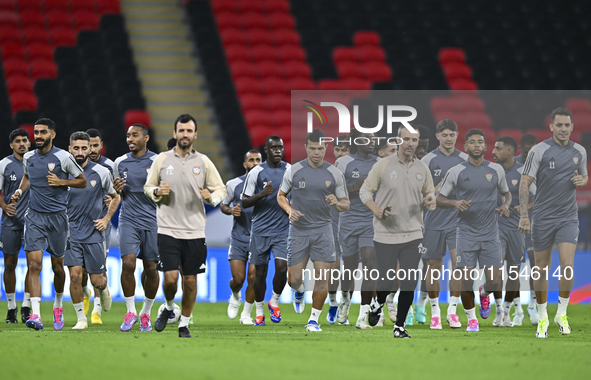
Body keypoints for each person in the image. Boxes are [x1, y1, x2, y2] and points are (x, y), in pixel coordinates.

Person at [146, 114, 226, 338]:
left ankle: (184, 324)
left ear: (195, 135)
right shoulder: (162, 160)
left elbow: (221, 189)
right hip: (168, 230)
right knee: (170, 279)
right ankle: (170, 308)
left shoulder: (203, 162)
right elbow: (148, 186)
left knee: (190, 281)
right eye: (181, 131)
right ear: (174, 133)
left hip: (195, 231)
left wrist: (211, 198)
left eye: (189, 131)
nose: (185, 134)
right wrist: (155, 192)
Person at [11, 118, 87, 331]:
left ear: (52, 135)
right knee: (34, 265)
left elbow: (81, 180)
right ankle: (35, 315)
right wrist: (19, 190)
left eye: (43, 132)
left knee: (58, 268)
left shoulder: (63, 157)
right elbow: (27, 177)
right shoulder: (28, 157)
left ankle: (58, 304)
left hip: (58, 218)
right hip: (34, 217)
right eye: (36, 132)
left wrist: (62, 182)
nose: (38, 136)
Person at [519, 107, 587, 338]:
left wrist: (582, 178)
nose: (563, 129)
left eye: (567, 125)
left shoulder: (579, 151)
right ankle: (542, 316)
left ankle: (561, 313)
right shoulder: (539, 151)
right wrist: (524, 216)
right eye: (559, 125)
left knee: (568, 266)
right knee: (540, 270)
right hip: (543, 217)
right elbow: (524, 183)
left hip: (568, 216)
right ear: (551, 127)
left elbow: (585, 175)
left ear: (572, 126)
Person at [363, 126, 436, 338]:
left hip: (414, 233)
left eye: (414, 140)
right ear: (398, 140)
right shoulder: (383, 165)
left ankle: (400, 326)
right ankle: (378, 303)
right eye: (406, 139)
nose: (410, 143)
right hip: (385, 234)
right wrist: (377, 210)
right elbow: (364, 190)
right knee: (386, 281)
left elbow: (429, 193)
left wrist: (430, 200)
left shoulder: (423, 168)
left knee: (409, 280)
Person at [436, 128, 511, 332]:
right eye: (472, 142)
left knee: (495, 282)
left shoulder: (496, 170)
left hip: (490, 234)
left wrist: (505, 205)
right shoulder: (456, 171)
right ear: (466, 146)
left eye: (480, 142)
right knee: (465, 280)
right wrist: (454, 202)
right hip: (466, 232)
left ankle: (484, 293)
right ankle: (471, 319)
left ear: (486, 146)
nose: (476, 145)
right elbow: (439, 198)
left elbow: (507, 194)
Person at [277, 129, 349, 332]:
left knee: (322, 277)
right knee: (294, 279)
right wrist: (289, 210)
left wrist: (337, 202)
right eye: (312, 148)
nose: (316, 152)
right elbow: (281, 195)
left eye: (320, 148)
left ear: (325, 148)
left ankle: (313, 320)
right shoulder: (294, 170)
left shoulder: (335, 173)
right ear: (306, 148)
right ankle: (299, 291)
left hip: (323, 230)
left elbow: (346, 204)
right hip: (298, 230)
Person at [64, 132, 119, 329]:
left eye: (84, 148)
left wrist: (106, 219)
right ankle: (81, 319)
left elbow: (116, 197)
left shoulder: (101, 172)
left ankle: (103, 290)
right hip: (70, 233)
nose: (80, 152)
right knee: (75, 276)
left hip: (94, 232)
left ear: (91, 149)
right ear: (69, 149)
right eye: (76, 148)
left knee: (97, 281)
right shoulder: (63, 172)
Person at [420, 120, 468, 329]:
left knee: (459, 264)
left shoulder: (466, 159)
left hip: (458, 222)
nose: (448, 139)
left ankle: (452, 311)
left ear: (457, 135)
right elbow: (419, 192)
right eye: (444, 135)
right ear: (438, 136)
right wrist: (435, 190)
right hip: (433, 221)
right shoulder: (428, 160)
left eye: (452, 135)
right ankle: (435, 312)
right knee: (433, 266)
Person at [113, 124, 159, 332]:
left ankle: (146, 313)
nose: (130, 139)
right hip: (128, 219)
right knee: (128, 264)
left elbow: (168, 192)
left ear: (146, 138)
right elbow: (116, 192)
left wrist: (160, 191)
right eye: (128, 136)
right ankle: (130, 311)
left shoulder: (158, 161)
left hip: (153, 221)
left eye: (135, 135)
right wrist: (116, 190)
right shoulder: (120, 162)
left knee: (151, 269)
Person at [241, 136, 290, 326]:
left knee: (282, 269)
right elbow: (244, 202)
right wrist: (261, 194)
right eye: (274, 147)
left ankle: (275, 300)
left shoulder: (291, 170)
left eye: (280, 147)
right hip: (260, 230)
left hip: (283, 230)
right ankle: (259, 310)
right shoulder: (257, 172)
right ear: (266, 150)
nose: (278, 150)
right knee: (259, 274)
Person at [335, 130, 379, 329]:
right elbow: (332, 191)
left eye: (372, 139)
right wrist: (355, 187)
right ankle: (344, 298)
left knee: (370, 262)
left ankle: (363, 315)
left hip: (371, 221)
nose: (370, 142)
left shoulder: (381, 163)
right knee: (350, 267)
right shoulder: (343, 163)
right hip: (348, 221)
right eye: (365, 139)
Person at [491, 136, 535, 327]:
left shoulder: (523, 174)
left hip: (518, 228)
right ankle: (498, 310)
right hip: (495, 228)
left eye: (497, 148)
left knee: (514, 272)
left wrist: (525, 208)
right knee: (496, 271)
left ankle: (507, 312)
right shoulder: (490, 171)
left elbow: (538, 197)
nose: (493, 151)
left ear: (509, 151)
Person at [221, 149, 261, 324]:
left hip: (259, 239)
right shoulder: (234, 184)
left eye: (258, 160)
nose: (255, 163)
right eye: (251, 160)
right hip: (239, 237)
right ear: (245, 164)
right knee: (239, 279)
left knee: (253, 277)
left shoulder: (269, 186)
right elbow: (223, 205)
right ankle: (235, 294)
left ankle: (246, 314)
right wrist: (231, 210)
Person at [83, 128, 115, 324]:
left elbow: (120, 194)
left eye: (96, 145)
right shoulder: (74, 166)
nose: (93, 149)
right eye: (90, 146)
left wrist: (111, 199)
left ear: (101, 145)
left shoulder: (110, 167)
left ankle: (96, 312)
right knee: (80, 271)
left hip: (101, 225)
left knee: (97, 268)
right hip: (79, 225)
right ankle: (85, 293)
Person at [0, 128, 31, 323]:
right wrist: (4, 206)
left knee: (32, 264)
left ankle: (27, 307)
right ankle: (11, 307)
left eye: (25, 140)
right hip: (10, 222)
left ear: (30, 143)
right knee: (10, 264)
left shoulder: (36, 163)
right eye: (18, 141)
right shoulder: (4, 164)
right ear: (11, 145)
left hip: (32, 222)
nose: (22, 144)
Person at [514, 133, 539, 324]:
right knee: (513, 267)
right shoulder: (511, 165)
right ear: (520, 149)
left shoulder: (541, 166)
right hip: (511, 225)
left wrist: (526, 208)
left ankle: (533, 303)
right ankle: (516, 308)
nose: (529, 154)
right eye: (526, 151)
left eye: (533, 151)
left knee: (535, 265)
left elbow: (544, 195)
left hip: (534, 224)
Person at [327, 135, 350, 324]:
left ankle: (345, 302)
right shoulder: (327, 172)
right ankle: (333, 301)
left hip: (353, 226)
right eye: (338, 149)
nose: (340, 154)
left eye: (344, 150)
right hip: (333, 226)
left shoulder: (360, 171)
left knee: (350, 270)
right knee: (333, 269)